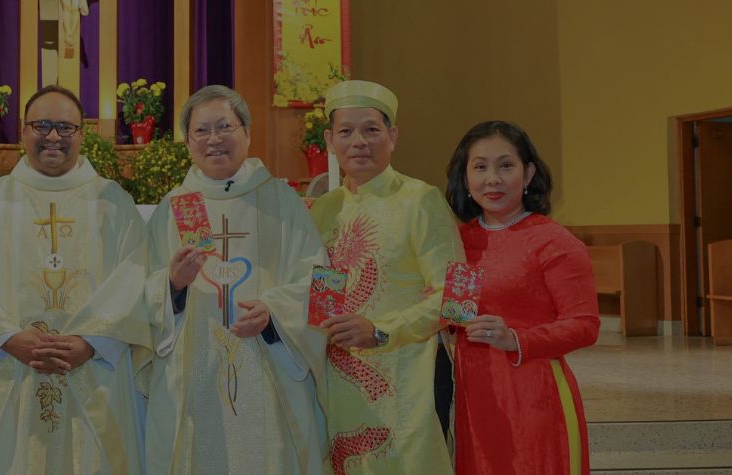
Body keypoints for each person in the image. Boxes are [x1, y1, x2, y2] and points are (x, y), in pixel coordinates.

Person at [0, 85, 152, 474]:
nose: (53, 136)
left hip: (95, 368)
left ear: (81, 134)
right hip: (12, 366)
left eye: (64, 127)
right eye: (41, 125)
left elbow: (136, 275)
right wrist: (9, 338)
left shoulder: (113, 202)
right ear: (23, 131)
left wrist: (91, 341)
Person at [142, 85, 328, 475]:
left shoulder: (281, 200)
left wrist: (274, 312)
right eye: (201, 131)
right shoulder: (176, 206)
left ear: (247, 132)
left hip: (270, 367)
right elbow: (138, 288)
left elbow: (320, 279)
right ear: (188, 141)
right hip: (194, 376)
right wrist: (173, 286)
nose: (214, 140)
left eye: (224, 126)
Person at [307, 80, 462, 474]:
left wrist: (380, 330)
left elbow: (462, 299)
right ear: (330, 140)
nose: (359, 141)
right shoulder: (322, 211)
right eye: (346, 131)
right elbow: (323, 304)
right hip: (340, 382)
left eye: (371, 129)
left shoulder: (422, 199)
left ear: (392, 136)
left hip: (410, 376)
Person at [445, 120, 598, 475]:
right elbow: (451, 314)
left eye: (506, 165)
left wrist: (515, 338)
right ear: (465, 177)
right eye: (480, 167)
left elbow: (585, 325)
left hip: (536, 396)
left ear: (528, 174)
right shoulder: (457, 241)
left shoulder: (553, 241)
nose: (492, 179)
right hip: (476, 401)